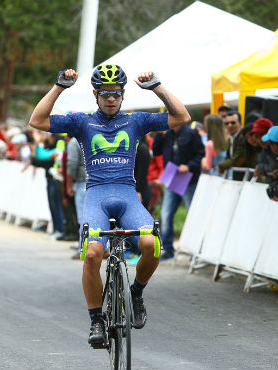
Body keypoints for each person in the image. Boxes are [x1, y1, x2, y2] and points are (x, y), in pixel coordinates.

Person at [29, 64, 191, 347]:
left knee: (152, 245)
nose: (111, 99)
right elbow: (38, 121)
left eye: (116, 93)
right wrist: (59, 87)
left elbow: (182, 116)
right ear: (95, 94)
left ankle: (136, 292)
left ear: (123, 94)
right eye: (105, 94)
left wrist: (157, 87)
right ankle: (96, 320)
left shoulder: (136, 121)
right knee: (93, 254)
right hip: (96, 196)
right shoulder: (82, 122)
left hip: (127, 195)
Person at [153, 122, 204, 261]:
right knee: (166, 214)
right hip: (171, 179)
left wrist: (189, 166)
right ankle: (168, 249)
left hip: (189, 180)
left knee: (192, 215)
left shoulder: (191, 133)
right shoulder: (167, 135)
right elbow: (156, 151)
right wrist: (159, 134)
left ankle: (196, 251)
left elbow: (201, 154)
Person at [218, 110, 246, 180]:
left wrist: (221, 165)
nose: (229, 125)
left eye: (233, 123)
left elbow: (236, 160)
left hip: (247, 178)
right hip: (237, 177)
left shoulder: (243, 137)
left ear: (240, 123)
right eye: (227, 123)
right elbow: (228, 157)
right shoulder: (230, 138)